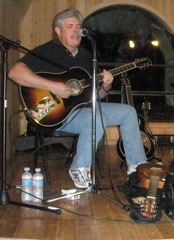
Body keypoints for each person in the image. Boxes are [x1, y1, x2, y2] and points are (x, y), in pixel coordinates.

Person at [9, 9, 147, 188]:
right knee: (94, 117)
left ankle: (137, 167)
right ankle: (79, 167)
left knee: (128, 111)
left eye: (78, 26)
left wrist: (105, 85)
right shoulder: (46, 51)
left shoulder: (87, 56)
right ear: (58, 31)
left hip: (83, 110)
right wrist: (51, 86)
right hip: (54, 113)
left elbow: (96, 95)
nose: (76, 30)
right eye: (70, 26)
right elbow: (15, 73)